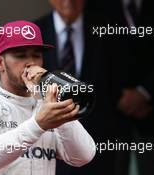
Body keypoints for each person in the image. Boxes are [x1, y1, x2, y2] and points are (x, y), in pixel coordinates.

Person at [0, 20, 96, 175]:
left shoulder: (46, 105)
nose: (31, 62)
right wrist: (38, 124)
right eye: (20, 56)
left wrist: (56, 106)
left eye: (37, 55)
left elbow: (83, 156)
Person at [88, 0, 154, 175]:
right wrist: (117, 97)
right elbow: (92, 55)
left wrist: (144, 93)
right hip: (110, 116)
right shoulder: (94, 4)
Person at [35, 0, 117, 175]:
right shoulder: (33, 32)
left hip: (99, 147)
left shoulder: (108, 30)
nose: (68, 0)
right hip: (48, 149)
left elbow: (118, 83)